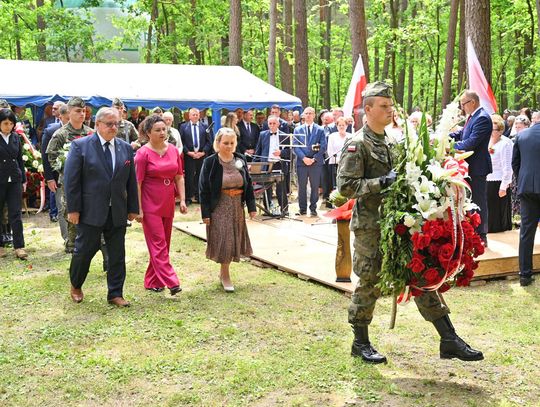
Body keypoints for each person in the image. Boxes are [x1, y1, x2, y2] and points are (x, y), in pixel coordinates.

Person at [337, 81, 483, 364]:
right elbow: (345, 186)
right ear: (368, 109)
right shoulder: (357, 144)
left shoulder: (392, 141)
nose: (390, 110)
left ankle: (449, 338)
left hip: (399, 224)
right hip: (370, 227)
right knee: (369, 280)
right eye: (383, 106)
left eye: (391, 106)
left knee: (420, 277)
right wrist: (381, 183)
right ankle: (360, 342)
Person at [64, 107, 139, 306]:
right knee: (83, 251)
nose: (114, 127)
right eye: (109, 124)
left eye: (116, 124)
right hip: (90, 211)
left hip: (117, 211)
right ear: (97, 125)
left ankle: (115, 293)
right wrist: (73, 209)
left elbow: (131, 181)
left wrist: (133, 208)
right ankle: (76, 284)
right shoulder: (80, 146)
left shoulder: (125, 148)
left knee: (117, 254)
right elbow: (72, 181)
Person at [199, 127, 257, 292]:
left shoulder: (240, 159)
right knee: (225, 239)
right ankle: (225, 275)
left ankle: (224, 272)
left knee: (233, 239)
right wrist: (205, 213)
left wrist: (252, 207)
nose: (229, 146)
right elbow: (203, 189)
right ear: (218, 143)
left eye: (232, 143)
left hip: (237, 206)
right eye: (225, 143)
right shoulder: (210, 162)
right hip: (219, 206)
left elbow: (248, 183)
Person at [135, 116, 187, 295]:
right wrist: (139, 209)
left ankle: (152, 280)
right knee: (158, 243)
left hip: (167, 201)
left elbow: (179, 176)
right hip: (149, 203)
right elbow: (137, 183)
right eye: (157, 130)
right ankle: (172, 281)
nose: (162, 133)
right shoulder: (142, 154)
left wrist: (183, 199)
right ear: (148, 133)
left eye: (164, 129)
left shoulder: (173, 150)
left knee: (164, 242)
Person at [46, 97, 94, 253]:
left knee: (90, 212)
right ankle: (72, 245)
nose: (82, 114)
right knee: (70, 212)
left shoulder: (90, 133)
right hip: (69, 182)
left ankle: (89, 243)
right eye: (78, 111)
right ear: (69, 112)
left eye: (84, 111)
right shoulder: (60, 134)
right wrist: (66, 168)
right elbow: (52, 156)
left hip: (88, 182)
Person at [450, 90, 492, 247]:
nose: (462, 108)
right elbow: (462, 134)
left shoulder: (482, 118)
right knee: (471, 201)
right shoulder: (473, 117)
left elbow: (470, 143)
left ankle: (482, 235)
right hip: (469, 167)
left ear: (472, 102)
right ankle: (474, 232)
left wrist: (449, 147)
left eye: (463, 104)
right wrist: (445, 137)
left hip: (478, 167)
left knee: (479, 201)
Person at [512, 115, 540, 287]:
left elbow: (515, 163)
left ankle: (525, 275)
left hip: (527, 188)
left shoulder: (522, 136)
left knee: (526, 232)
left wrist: (524, 179)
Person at [0, 108, 27, 259]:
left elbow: (19, 160)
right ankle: (0, 246)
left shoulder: (16, 137)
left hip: (14, 179)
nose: (8, 126)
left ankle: (19, 246)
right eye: (5, 123)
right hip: (0, 179)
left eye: (11, 123)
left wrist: (23, 178)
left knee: (16, 213)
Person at [293, 106, 327, 217]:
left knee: (315, 186)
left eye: (310, 113)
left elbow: (323, 146)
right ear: (303, 115)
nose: (308, 115)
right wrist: (304, 158)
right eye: (306, 113)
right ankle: (302, 209)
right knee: (301, 186)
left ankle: (313, 208)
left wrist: (313, 159)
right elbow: (295, 146)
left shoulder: (320, 129)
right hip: (301, 163)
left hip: (315, 163)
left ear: (314, 115)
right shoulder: (297, 129)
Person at [254, 115, 290, 215]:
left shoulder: (285, 135)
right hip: (266, 164)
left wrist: (281, 153)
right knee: (267, 189)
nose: (272, 125)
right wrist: (253, 165)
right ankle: (267, 210)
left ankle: (284, 209)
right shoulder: (263, 135)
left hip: (279, 164)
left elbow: (290, 152)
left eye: (274, 123)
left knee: (281, 189)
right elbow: (258, 151)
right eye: (270, 123)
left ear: (278, 124)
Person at [41, 102, 69, 224]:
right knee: (61, 207)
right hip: (57, 175)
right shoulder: (50, 131)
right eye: (68, 118)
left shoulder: (82, 131)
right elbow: (45, 155)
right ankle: (67, 239)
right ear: (60, 117)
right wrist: (49, 178)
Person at [487, 114, 513, 233]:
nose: (491, 132)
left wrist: (504, 186)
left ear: (501, 130)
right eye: (490, 129)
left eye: (494, 130)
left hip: (498, 182)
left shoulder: (505, 144)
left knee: (497, 214)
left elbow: (507, 167)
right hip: (486, 181)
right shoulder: (486, 142)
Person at [179, 108, 210, 205]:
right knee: (189, 177)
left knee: (201, 176)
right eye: (193, 114)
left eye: (197, 114)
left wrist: (203, 152)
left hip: (201, 156)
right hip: (189, 156)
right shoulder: (183, 127)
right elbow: (181, 142)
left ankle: (199, 196)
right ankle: (188, 197)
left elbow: (209, 141)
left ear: (199, 115)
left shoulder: (205, 127)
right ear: (189, 116)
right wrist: (188, 152)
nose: (195, 116)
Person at [326, 117, 351, 192]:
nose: (341, 127)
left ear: (346, 126)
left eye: (343, 125)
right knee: (336, 185)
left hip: (348, 164)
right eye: (339, 125)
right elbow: (330, 151)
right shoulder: (332, 136)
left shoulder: (351, 136)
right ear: (337, 126)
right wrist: (338, 160)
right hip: (335, 164)